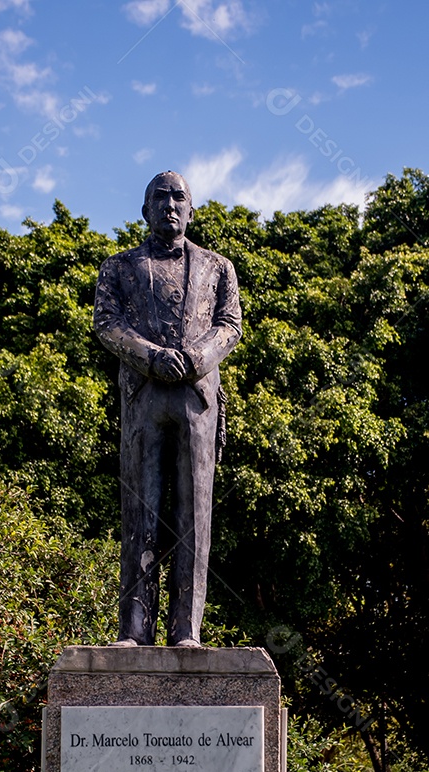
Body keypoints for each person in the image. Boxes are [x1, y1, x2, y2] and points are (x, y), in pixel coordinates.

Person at [93, 171, 242, 646]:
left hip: (197, 399)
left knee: (194, 516)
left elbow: (230, 325)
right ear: (145, 210)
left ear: (191, 210)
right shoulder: (118, 267)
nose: (170, 205)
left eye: (179, 198)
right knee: (141, 512)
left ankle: (187, 630)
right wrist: (150, 356)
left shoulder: (219, 267)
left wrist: (196, 358)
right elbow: (106, 324)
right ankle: (134, 629)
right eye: (160, 198)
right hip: (143, 396)